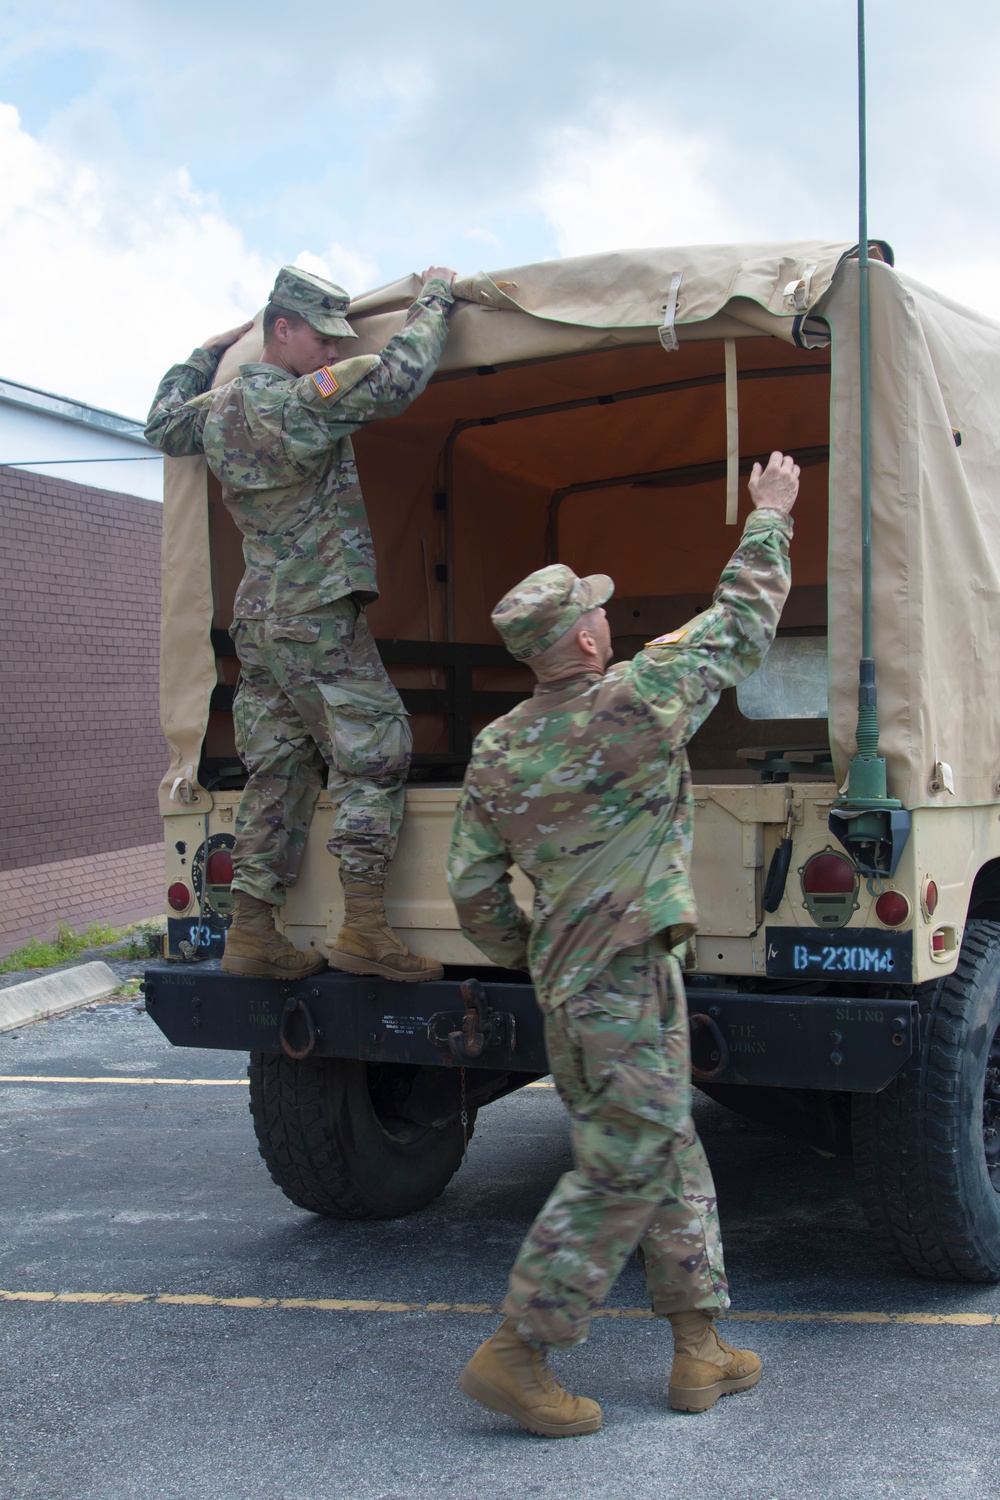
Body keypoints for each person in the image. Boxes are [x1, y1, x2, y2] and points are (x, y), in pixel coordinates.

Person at [446, 451, 800, 1436]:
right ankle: (519, 1352)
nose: (609, 619)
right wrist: (769, 515)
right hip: (629, 975)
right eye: (597, 611)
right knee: (626, 1160)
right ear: (585, 634)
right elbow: (738, 624)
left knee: (664, 1147)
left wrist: (533, 948)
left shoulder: (497, 748)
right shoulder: (639, 700)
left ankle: (699, 1350)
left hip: (573, 983)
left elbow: (472, 890)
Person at [146, 263, 458, 982]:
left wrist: (201, 353)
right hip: (315, 612)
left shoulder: (216, 409)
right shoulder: (301, 405)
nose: (333, 354)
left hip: (260, 620)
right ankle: (365, 930)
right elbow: (398, 379)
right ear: (278, 329)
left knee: (278, 770)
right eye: (322, 340)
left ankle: (252, 933)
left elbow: (160, 422)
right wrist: (437, 298)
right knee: (376, 750)